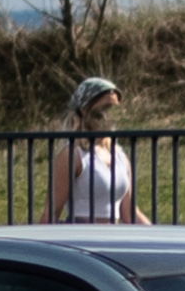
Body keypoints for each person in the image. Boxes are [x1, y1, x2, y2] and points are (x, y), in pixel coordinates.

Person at [44, 76, 150, 224]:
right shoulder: (73, 155)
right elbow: (51, 213)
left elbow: (129, 212)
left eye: (114, 109)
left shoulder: (119, 156)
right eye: (104, 109)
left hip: (112, 240)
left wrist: (160, 240)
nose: (110, 115)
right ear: (83, 111)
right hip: (82, 240)